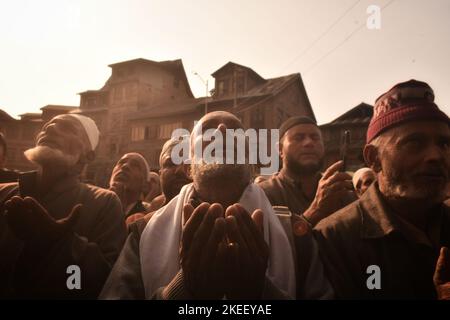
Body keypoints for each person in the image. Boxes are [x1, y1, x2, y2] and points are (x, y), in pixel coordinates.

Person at [100, 111, 332, 299]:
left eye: (234, 131)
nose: (222, 131)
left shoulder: (294, 235)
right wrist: (182, 290)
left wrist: (261, 292)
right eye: (208, 129)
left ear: (251, 161)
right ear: (188, 166)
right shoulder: (144, 232)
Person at [314, 80, 450, 299]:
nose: (436, 156)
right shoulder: (334, 238)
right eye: (414, 143)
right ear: (374, 159)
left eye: (444, 144)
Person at [0, 114, 126, 299]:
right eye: (47, 126)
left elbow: (104, 283)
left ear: (88, 155)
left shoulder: (105, 203)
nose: (50, 128)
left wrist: (58, 243)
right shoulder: (3, 193)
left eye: (67, 127)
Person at [258, 116, 356, 228]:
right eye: (298, 138)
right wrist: (315, 211)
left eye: (315, 138)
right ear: (280, 149)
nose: (309, 143)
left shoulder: (340, 191)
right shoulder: (263, 195)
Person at [109, 152, 152, 224]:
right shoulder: (92, 204)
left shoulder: (146, 220)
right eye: (121, 162)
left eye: (135, 165)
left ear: (145, 186)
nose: (125, 166)